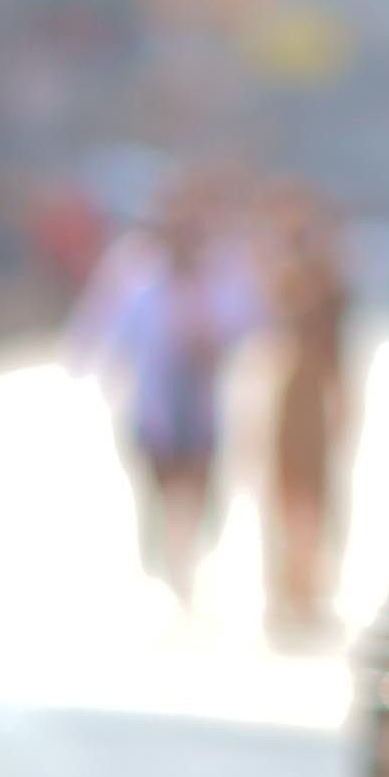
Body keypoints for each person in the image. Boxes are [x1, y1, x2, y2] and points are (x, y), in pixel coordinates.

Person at [67, 185, 262, 606]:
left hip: (203, 406)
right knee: (160, 489)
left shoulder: (222, 280)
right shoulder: (140, 282)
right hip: (156, 409)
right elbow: (109, 331)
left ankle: (187, 559)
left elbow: (248, 326)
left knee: (198, 490)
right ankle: (169, 569)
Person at [258, 182, 349, 642]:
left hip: (310, 394)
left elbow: (337, 346)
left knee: (316, 496)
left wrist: (343, 399)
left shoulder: (329, 279)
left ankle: (308, 585)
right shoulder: (270, 275)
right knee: (279, 496)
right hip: (278, 393)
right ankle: (283, 588)